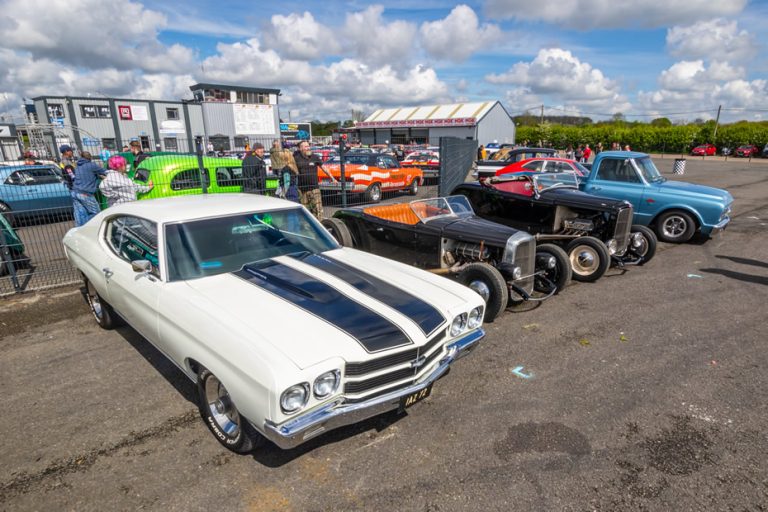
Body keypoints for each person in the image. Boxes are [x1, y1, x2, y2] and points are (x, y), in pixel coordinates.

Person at [71, 151, 106, 226]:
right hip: (85, 193)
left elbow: (87, 174)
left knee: (80, 215)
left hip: (75, 192)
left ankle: (79, 229)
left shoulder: (78, 166)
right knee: (97, 214)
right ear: (90, 158)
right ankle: (92, 227)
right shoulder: (91, 165)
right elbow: (105, 172)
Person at [294, 140, 325, 220]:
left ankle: (320, 226)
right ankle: (308, 227)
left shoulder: (315, 157)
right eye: (305, 146)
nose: (308, 148)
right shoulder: (296, 158)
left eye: (308, 146)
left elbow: (324, 168)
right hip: (302, 188)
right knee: (305, 210)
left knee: (318, 209)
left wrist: (332, 178)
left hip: (314, 188)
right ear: (300, 149)